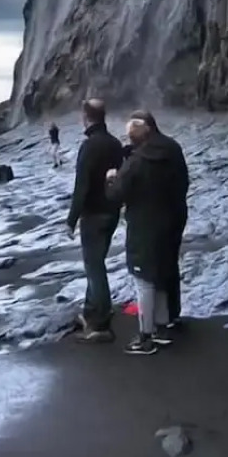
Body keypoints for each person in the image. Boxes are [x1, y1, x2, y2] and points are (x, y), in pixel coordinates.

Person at [106, 113, 189, 355]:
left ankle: (146, 336)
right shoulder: (172, 148)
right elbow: (184, 182)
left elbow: (116, 196)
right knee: (162, 273)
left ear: (134, 138)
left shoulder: (136, 162)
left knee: (143, 280)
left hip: (143, 225)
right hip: (171, 220)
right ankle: (163, 328)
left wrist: (110, 179)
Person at [67, 98, 124, 343]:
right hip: (111, 212)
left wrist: (71, 219)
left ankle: (101, 322)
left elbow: (82, 186)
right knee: (96, 262)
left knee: (94, 266)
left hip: (93, 214)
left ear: (86, 117)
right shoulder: (115, 144)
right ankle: (91, 312)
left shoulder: (89, 146)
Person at [130, 109, 188, 329]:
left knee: (150, 269)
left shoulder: (143, 155)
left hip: (152, 217)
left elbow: (129, 187)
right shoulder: (172, 147)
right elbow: (183, 180)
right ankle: (172, 314)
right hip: (175, 213)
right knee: (170, 262)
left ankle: (152, 326)